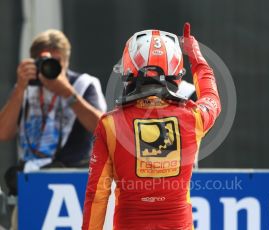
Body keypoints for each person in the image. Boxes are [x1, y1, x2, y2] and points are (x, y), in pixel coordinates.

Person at [82, 23, 221, 229]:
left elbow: (98, 194)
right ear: (177, 74)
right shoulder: (194, 117)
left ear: (129, 70)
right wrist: (195, 56)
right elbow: (212, 98)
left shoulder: (109, 124)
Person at [0, 29, 107, 195]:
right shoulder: (25, 88)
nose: (50, 67)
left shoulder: (83, 84)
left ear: (66, 61)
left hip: (73, 181)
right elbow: (3, 133)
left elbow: (102, 128)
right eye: (44, 62)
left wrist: (67, 93)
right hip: (30, 181)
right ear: (34, 62)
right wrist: (20, 89)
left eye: (56, 62)